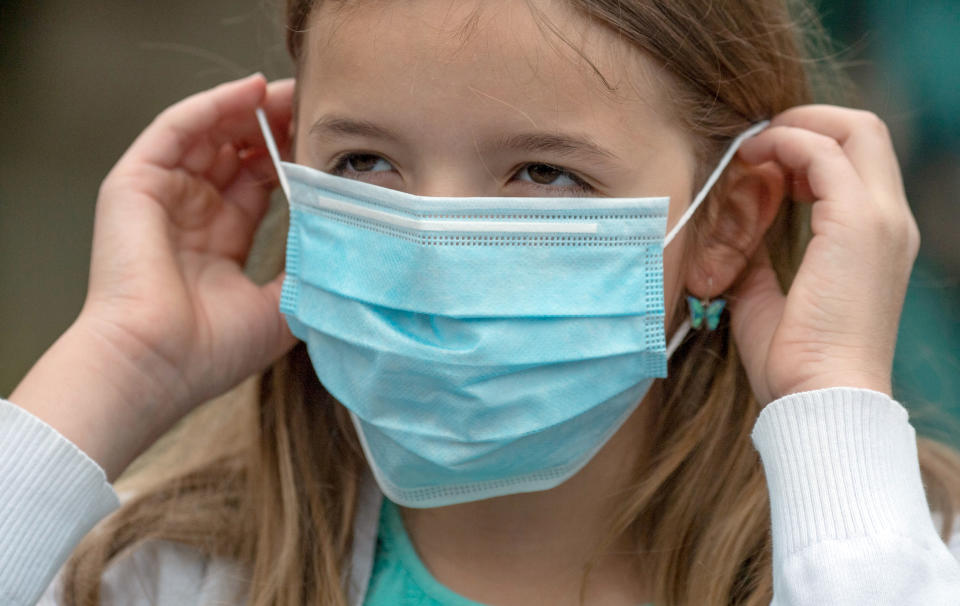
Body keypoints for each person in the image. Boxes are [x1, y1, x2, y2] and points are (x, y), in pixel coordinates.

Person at [2, 0, 960, 604]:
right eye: (365, 163)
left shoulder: (895, 549)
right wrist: (121, 363)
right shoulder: (152, 572)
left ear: (726, 225)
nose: (431, 255)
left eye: (543, 172)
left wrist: (830, 404)